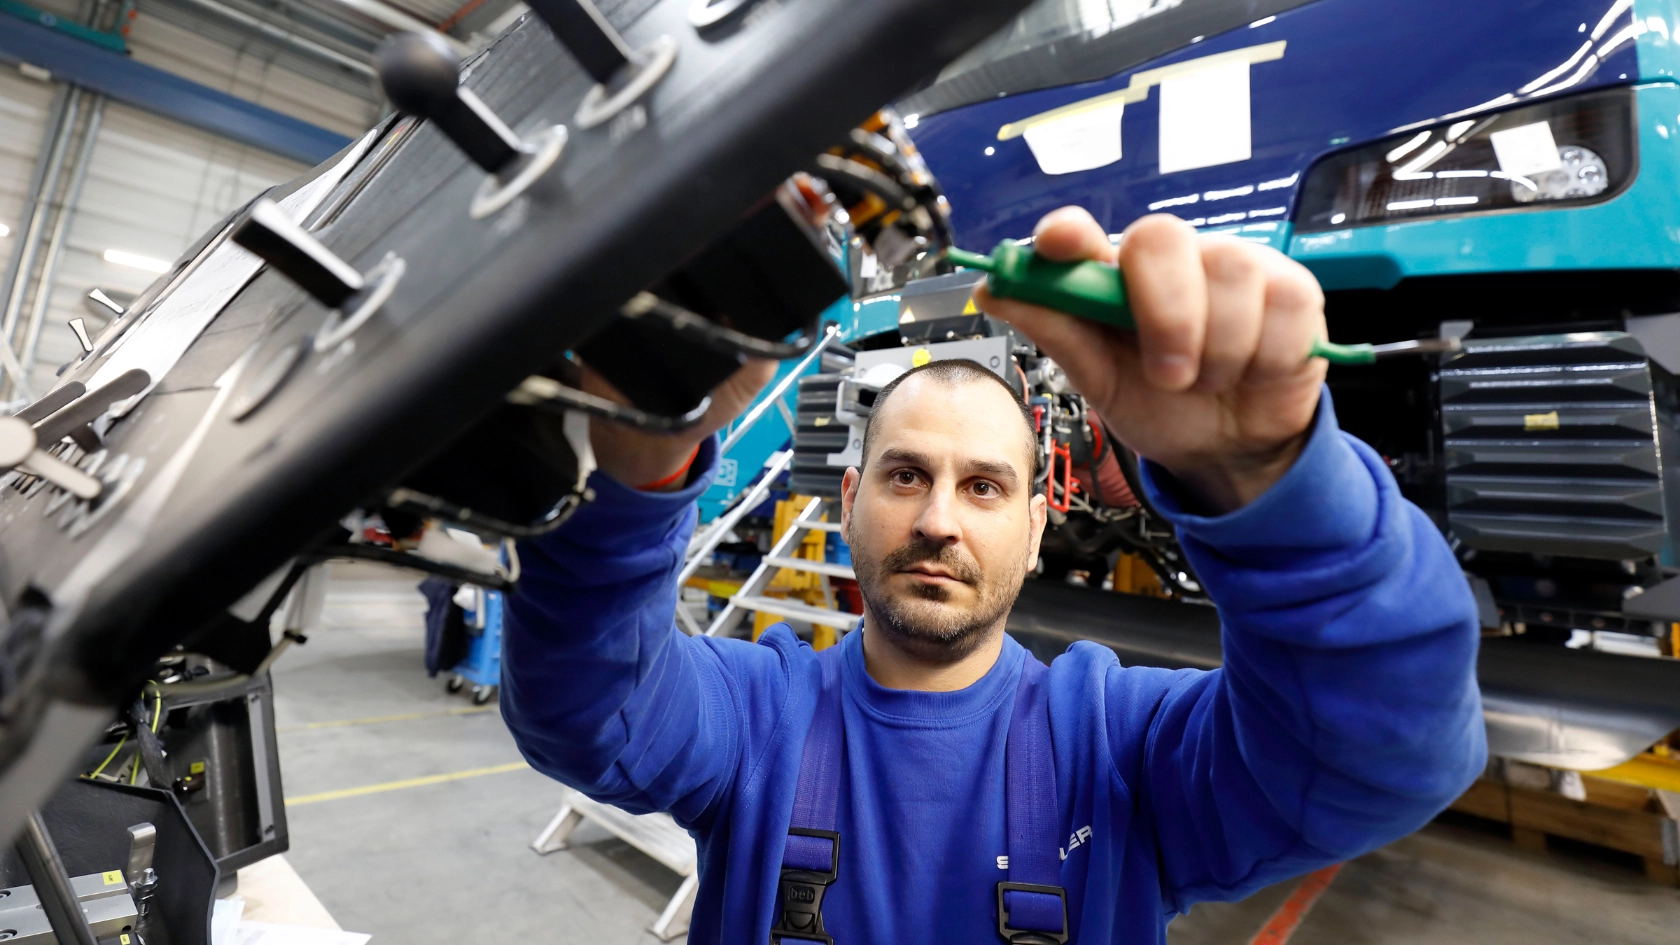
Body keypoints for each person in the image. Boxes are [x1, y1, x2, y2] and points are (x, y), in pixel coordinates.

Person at [501, 208, 1486, 943]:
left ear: (1039, 516)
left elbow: (1381, 759)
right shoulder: (761, 711)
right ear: (847, 501)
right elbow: (589, 710)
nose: (937, 519)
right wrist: (643, 471)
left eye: (982, 487)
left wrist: (1273, 488)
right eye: (904, 476)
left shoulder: (1122, 747)